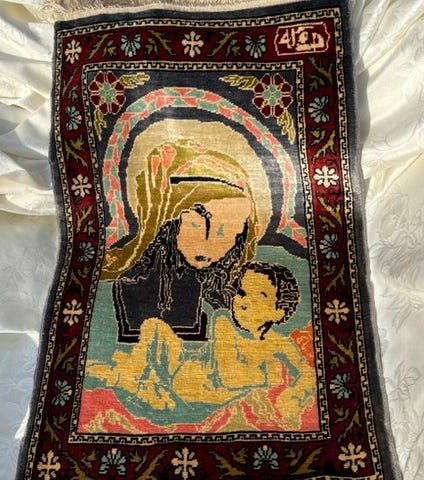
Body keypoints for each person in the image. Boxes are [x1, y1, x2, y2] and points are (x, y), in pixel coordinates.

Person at [89, 261, 316, 429]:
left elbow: (307, 373)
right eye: (242, 292)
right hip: (180, 369)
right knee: (153, 326)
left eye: (260, 296)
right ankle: (130, 374)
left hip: (193, 398)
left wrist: (295, 394)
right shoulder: (225, 323)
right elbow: (221, 367)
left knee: (155, 397)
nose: (245, 302)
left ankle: (124, 378)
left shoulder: (279, 344)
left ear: (279, 312)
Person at [103, 139, 264, 341]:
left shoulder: (227, 289)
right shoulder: (130, 275)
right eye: (196, 225)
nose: (208, 244)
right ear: (167, 222)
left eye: (227, 231)